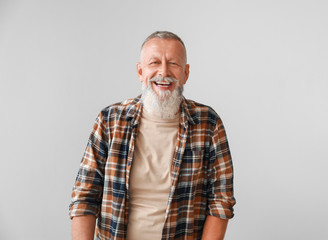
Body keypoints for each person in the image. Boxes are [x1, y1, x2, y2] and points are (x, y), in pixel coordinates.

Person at [69, 31, 236, 240]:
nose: (163, 72)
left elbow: (221, 201)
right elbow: (85, 196)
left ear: (186, 73)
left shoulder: (209, 124)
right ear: (140, 71)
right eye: (154, 62)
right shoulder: (109, 121)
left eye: (173, 63)